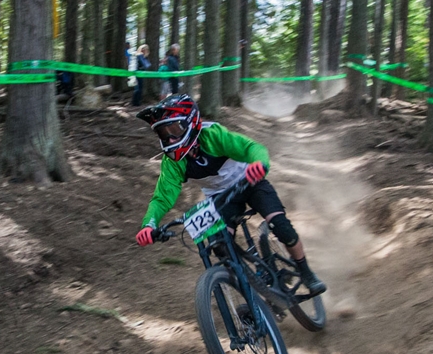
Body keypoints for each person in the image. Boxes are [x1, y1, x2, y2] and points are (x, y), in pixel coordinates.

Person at [133, 94, 326, 296]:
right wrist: (149, 224)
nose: (170, 139)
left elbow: (251, 147)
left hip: (249, 182)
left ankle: (306, 272)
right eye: (164, 134)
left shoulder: (213, 135)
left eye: (174, 130)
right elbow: (163, 196)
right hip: (220, 197)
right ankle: (255, 292)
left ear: (190, 122)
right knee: (220, 246)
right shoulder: (172, 162)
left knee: (281, 226)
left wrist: (259, 164)